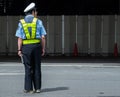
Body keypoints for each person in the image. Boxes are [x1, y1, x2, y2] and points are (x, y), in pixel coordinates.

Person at [15, 2, 47, 93]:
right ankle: (37, 88)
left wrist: (19, 49)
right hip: (37, 47)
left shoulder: (21, 22)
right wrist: (43, 48)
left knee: (28, 67)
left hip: (26, 48)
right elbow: (43, 37)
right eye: (35, 11)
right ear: (32, 12)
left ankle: (28, 88)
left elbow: (20, 38)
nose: (36, 13)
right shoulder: (38, 21)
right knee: (37, 67)